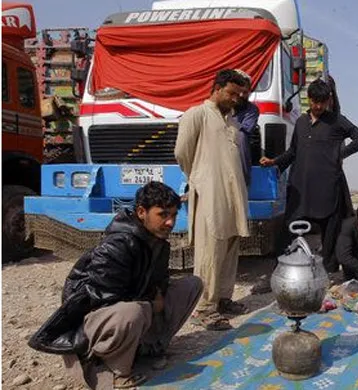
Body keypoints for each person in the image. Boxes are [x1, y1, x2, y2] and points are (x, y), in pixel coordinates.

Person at [28, 182, 202, 389]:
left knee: (191, 285)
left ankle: (148, 347)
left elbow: (158, 282)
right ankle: (116, 371)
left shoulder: (157, 243)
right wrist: (149, 303)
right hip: (94, 322)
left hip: (134, 308)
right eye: (163, 215)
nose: (170, 222)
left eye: (173, 215)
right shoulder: (116, 246)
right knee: (132, 312)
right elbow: (104, 300)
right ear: (141, 212)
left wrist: (157, 297)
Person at [260, 78, 358, 273]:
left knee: (329, 232)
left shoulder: (336, 121)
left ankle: (327, 272)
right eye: (314, 101)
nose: (318, 106)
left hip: (327, 187)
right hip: (301, 186)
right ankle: (282, 270)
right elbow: (293, 151)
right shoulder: (301, 122)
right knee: (289, 229)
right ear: (308, 99)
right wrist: (274, 161)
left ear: (328, 101)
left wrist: (339, 154)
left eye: (322, 102)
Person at [175, 69, 251, 330]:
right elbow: (182, 152)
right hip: (210, 194)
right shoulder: (197, 115)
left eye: (240, 95)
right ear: (217, 88)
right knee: (209, 251)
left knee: (229, 247)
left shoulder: (231, 120)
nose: (236, 99)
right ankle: (204, 308)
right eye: (232, 93)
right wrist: (202, 177)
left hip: (232, 195)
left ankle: (222, 299)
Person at [233, 69, 260, 187]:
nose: (241, 95)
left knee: (241, 136)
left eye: (245, 92)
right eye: (238, 92)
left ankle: (242, 182)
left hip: (237, 153)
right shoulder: (220, 107)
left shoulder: (251, 110)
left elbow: (244, 130)